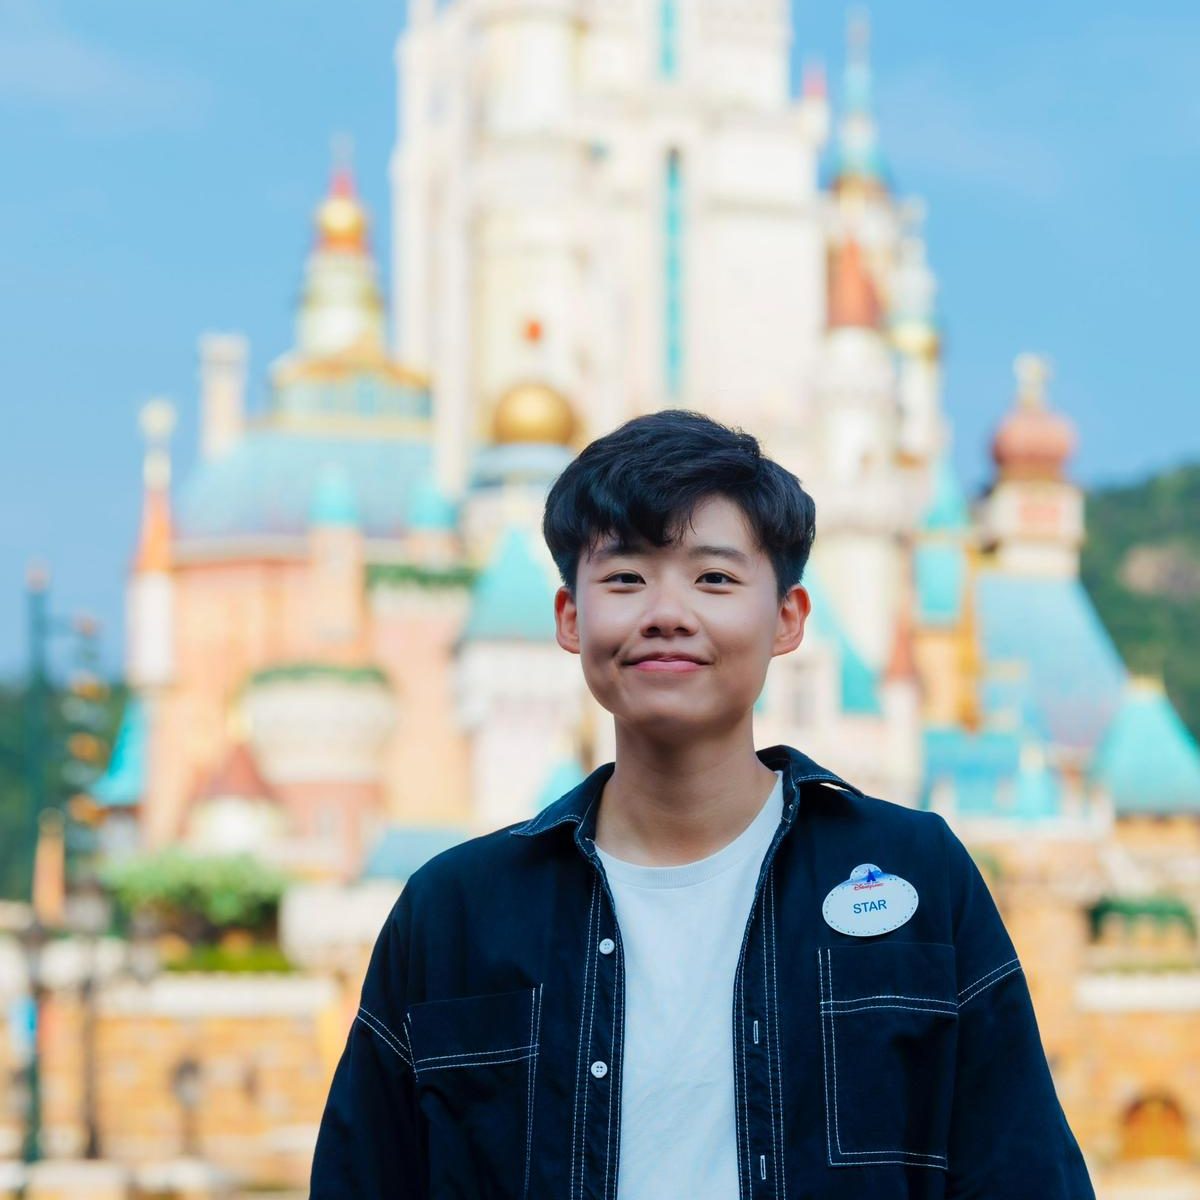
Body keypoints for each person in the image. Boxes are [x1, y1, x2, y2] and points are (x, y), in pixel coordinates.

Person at [310, 409, 1095, 1198]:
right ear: (570, 619)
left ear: (788, 619)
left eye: (714, 577)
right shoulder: (455, 912)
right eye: (625, 577)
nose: (667, 612)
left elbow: (1023, 1173)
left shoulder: (917, 875)